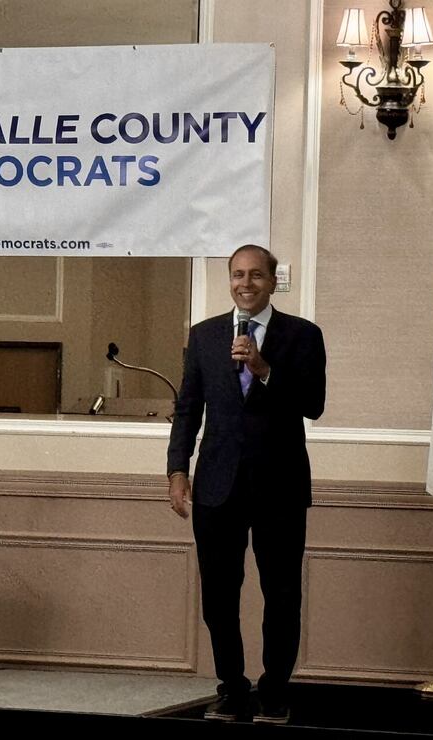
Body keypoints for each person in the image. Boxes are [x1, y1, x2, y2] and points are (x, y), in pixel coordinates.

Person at [167, 244, 325, 724]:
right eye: (238, 274)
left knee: (281, 595)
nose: (246, 283)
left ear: (273, 281)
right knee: (219, 595)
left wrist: (264, 369)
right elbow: (188, 409)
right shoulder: (205, 336)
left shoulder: (302, 335)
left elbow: (313, 403)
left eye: (257, 275)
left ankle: (274, 690)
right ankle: (231, 687)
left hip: (279, 485)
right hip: (217, 485)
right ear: (230, 281)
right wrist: (177, 470)